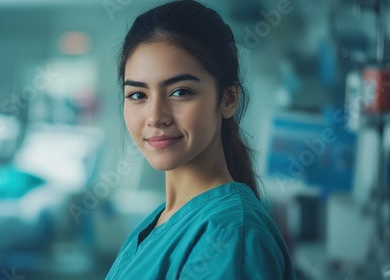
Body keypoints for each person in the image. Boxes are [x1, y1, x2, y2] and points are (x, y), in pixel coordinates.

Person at [106, 0, 296, 279]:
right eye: (138, 95)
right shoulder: (161, 221)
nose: (155, 116)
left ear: (228, 98)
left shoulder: (230, 237)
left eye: (180, 92)